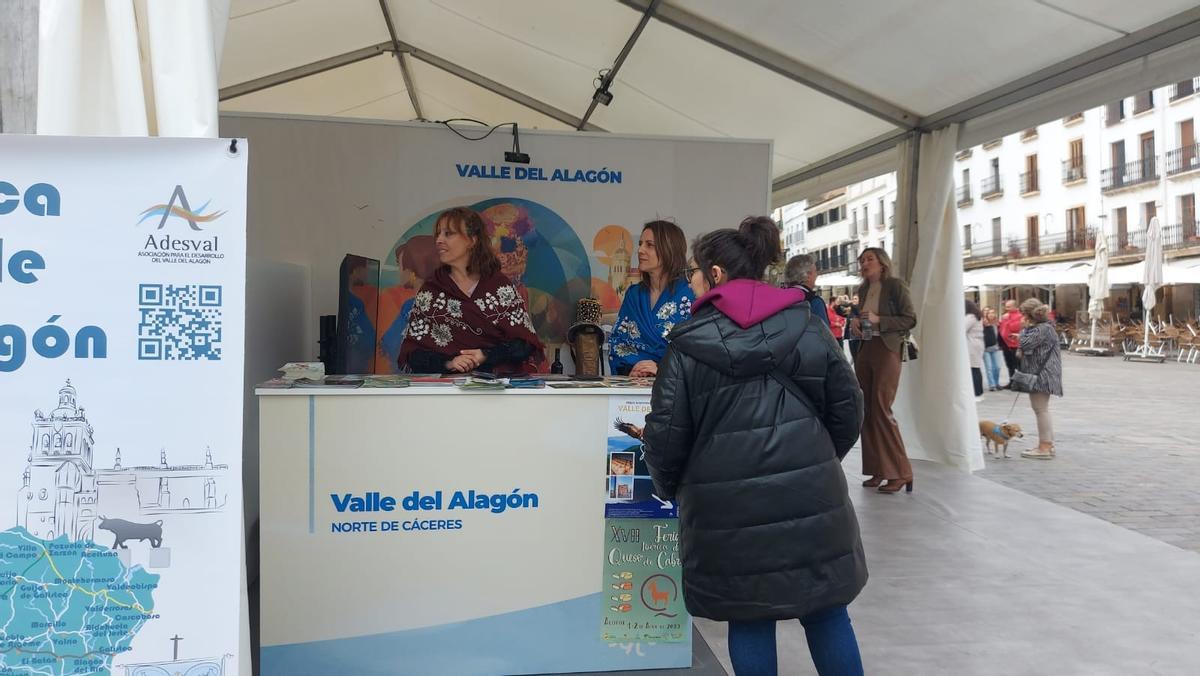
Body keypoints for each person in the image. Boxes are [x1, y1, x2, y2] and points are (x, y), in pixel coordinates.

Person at [642, 216, 866, 676]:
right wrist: (817, 459)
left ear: (715, 274)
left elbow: (666, 434)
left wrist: (672, 489)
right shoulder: (807, 325)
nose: (691, 280)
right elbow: (848, 408)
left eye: (694, 272)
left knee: (749, 617)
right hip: (812, 495)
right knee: (826, 612)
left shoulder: (686, 345)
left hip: (726, 508)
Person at [398, 207, 544, 374]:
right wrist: (449, 363)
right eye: (438, 234)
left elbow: (525, 344)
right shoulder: (431, 290)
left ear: (472, 240)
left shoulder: (498, 286)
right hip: (447, 387)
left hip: (496, 387)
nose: (438, 240)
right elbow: (413, 354)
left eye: (448, 234)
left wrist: (485, 355)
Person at [849, 247, 917, 493]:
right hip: (866, 347)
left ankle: (901, 472)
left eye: (870, 259)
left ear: (882, 263)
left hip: (888, 349)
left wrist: (880, 320)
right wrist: (856, 322)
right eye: (862, 260)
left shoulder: (895, 286)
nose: (864, 263)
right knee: (866, 408)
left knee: (881, 407)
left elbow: (910, 319)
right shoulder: (863, 289)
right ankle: (878, 469)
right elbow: (865, 317)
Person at [608, 220, 694, 376]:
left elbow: (700, 350)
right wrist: (633, 370)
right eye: (640, 244)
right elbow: (618, 342)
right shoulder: (634, 294)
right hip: (635, 382)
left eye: (649, 245)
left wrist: (661, 369)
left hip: (675, 384)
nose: (640, 250)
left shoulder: (690, 293)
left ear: (669, 249)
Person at [1017, 299, 1063, 460]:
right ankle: (1048, 445)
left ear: (1028, 315)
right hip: (1047, 373)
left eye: (1023, 314)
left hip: (1042, 374)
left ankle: (1044, 447)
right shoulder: (1046, 327)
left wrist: (1023, 330)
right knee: (1042, 409)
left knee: (1040, 409)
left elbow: (1025, 344)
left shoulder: (1041, 329)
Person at [783, 254, 829, 328]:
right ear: (807, 276)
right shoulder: (814, 302)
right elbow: (824, 332)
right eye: (815, 271)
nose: (816, 275)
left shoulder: (780, 298)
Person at [999, 299, 1023, 384]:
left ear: (1015, 307)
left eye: (1009, 307)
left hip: (1015, 345)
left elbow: (1015, 328)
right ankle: (1011, 382)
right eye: (1006, 307)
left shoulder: (1019, 316)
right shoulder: (1005, 316)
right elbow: (1002, 327)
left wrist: (1007, 319)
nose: (1006, 308)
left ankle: (1020, 383)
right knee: (1009, 365)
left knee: (1018, 365)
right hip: (1006, 345)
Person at [965, 300, 985, 399]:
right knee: (975, 367)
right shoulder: (977, 316)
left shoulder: (970, 317)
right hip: (977, 344)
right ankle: (978, 391)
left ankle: (977, 392)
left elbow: (962, 328)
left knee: (973, 368)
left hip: (971, 344)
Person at [982, 307, 1003, 391]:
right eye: (989, 313)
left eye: (993, 312)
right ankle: (992, 385)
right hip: (985, 349)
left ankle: (996, 383)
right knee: (989, 368)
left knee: (997, 367)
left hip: (995, 348)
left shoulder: (996, 324)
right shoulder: (982, 323)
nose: (991, 314)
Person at [847, 293, 862, 361]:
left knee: (859, 357)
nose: (854, 300)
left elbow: (857, 311)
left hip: (858, 338)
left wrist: (850, 303)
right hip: (851, 337)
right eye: (853, 299)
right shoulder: (851, 311)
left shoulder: (860, 309)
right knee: (854, 357)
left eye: (855, 299)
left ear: (859, 300)